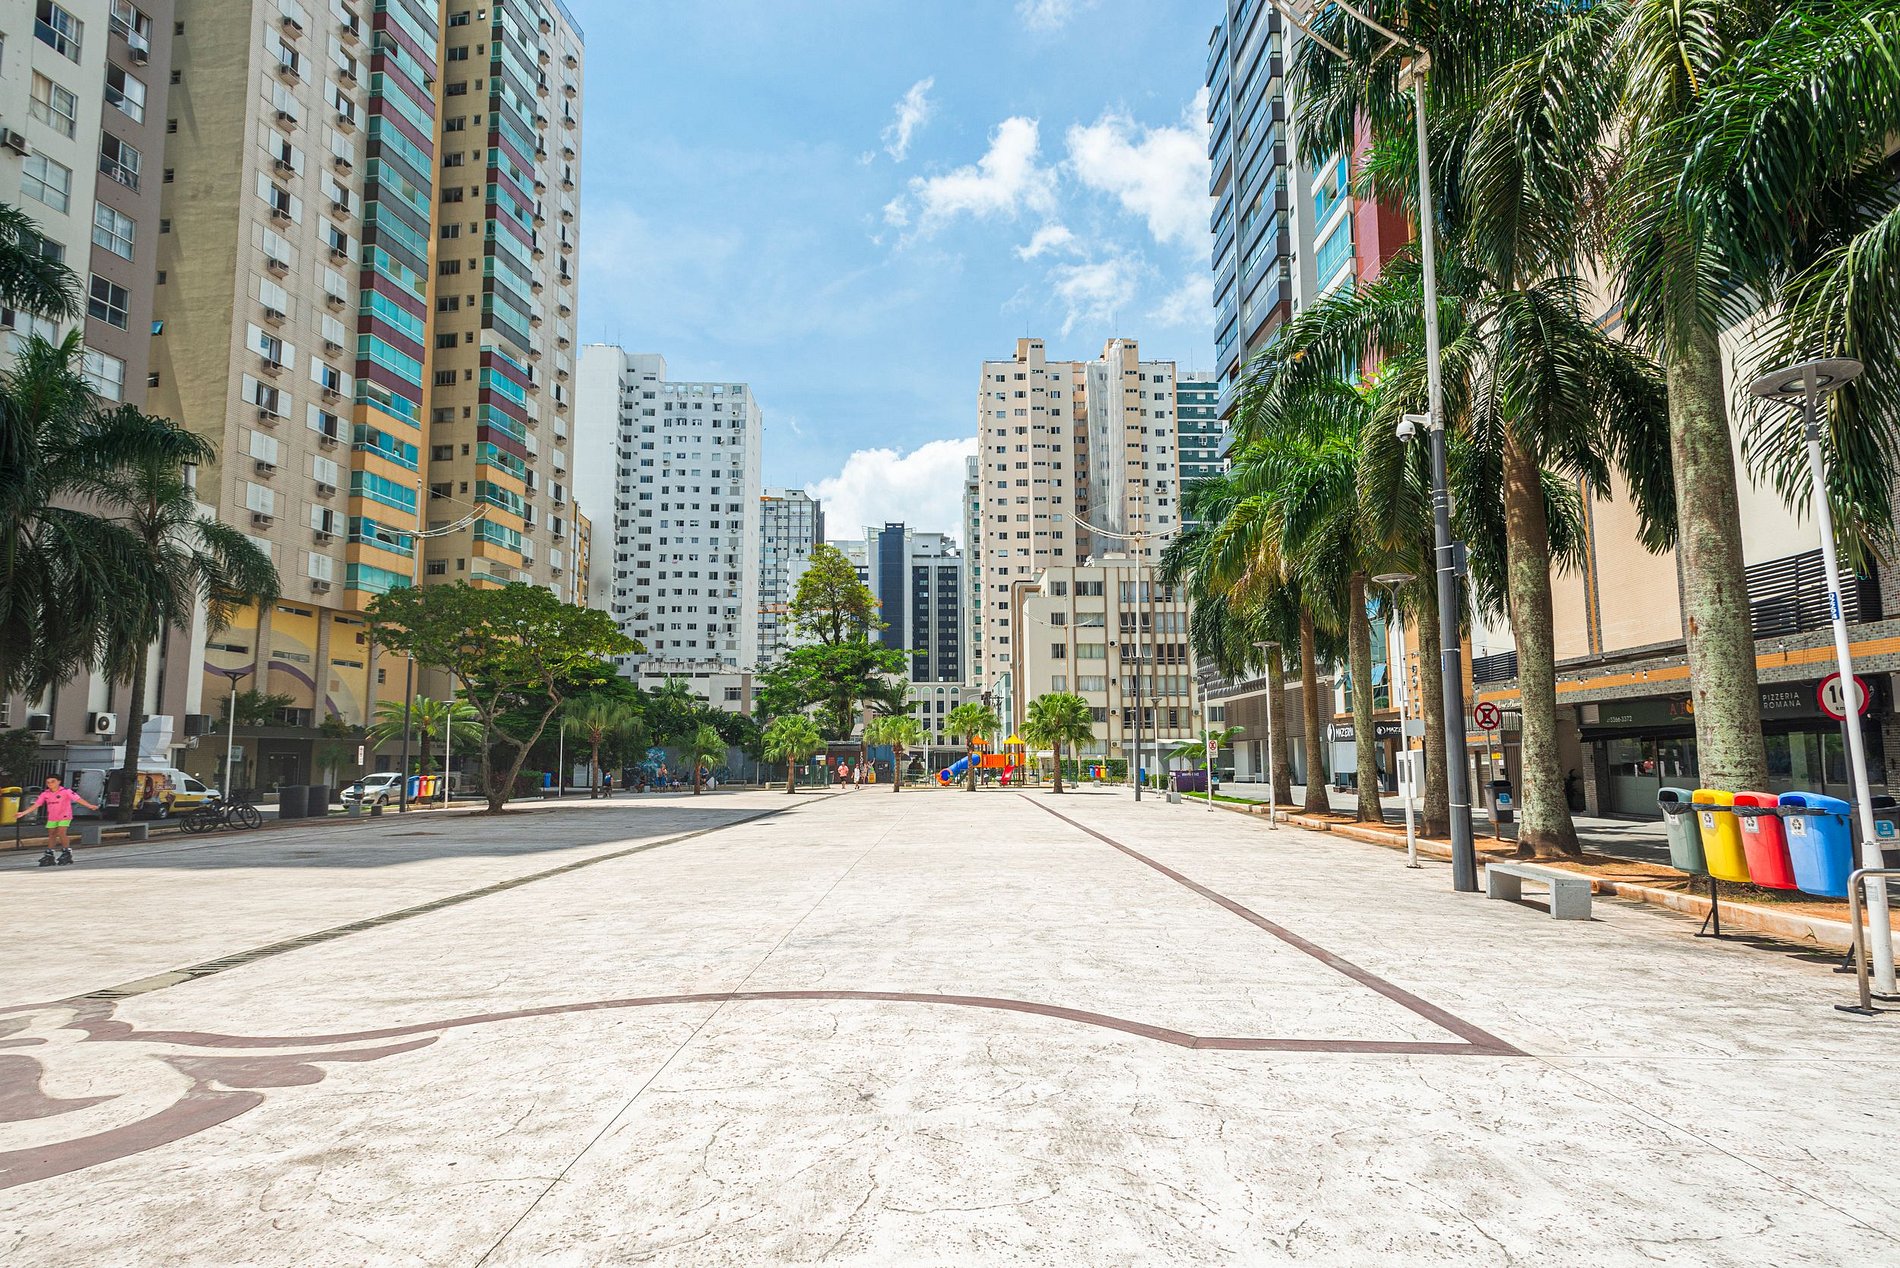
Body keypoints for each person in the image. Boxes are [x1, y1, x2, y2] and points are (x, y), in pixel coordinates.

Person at [28, 776, 96, 867]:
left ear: (58, 782)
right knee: (52, 834)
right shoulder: (45, 793)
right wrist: (23, 813)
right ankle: (50, 853)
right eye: (48, 782)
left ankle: (66, 851)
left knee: (61, 832)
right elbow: (37, 804)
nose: (50, 784)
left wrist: (89, 805)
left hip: (64, 816)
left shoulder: (66, 791)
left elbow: (77, 799)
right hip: (52, 817)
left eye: (53, 781)